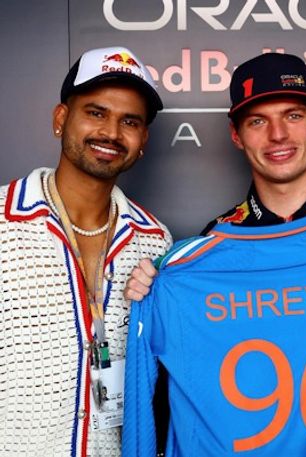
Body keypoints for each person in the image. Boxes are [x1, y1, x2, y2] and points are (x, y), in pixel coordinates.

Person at [121, 52, 306, 456]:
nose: (278, 135)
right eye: (257, 121)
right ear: (236, 135)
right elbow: (169, 396)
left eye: (294, 115)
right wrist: (151, 294)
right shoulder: (212, 246)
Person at [0, 46, 171, 456]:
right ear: (61, 119)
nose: (111, 133)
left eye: (129, 121)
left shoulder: (156, 240)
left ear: (143, 139)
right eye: (95, 113)